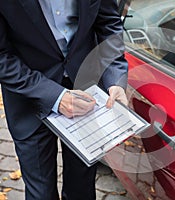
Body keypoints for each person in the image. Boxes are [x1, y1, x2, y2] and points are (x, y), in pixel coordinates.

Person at [0, 1, 128, 200]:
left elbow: (109, 24)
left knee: (82, 189)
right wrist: (55, 96)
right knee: (40, 194)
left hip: (87, 92)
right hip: (29, 97)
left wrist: (116, 79)